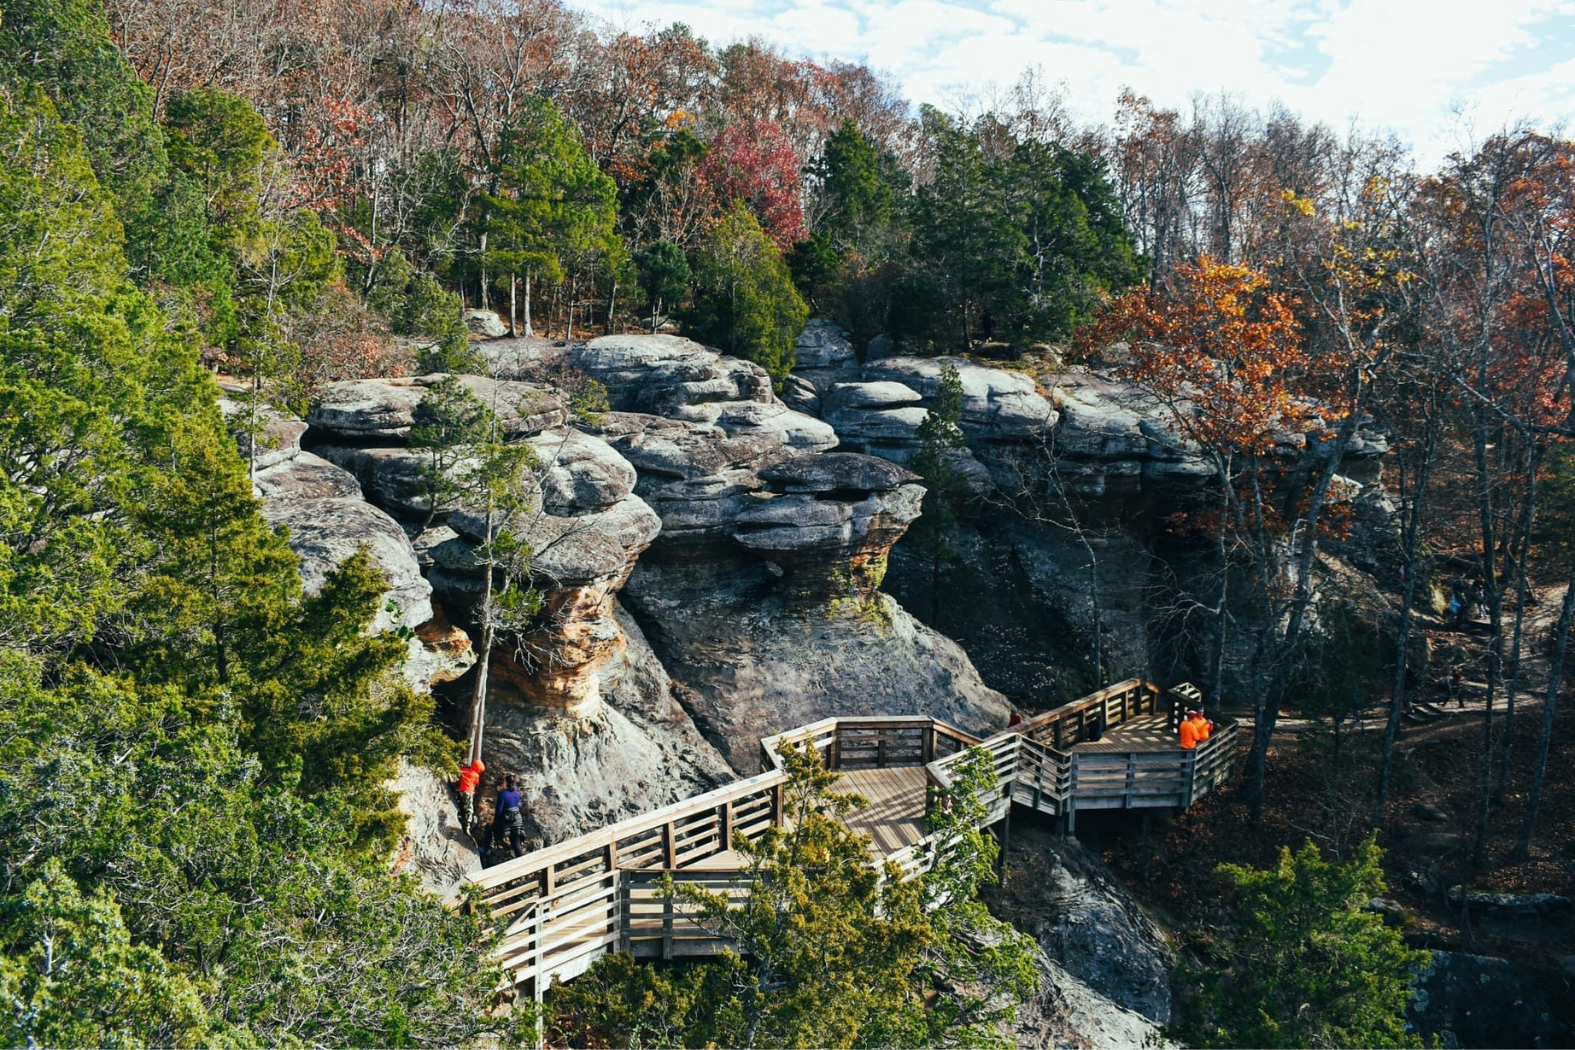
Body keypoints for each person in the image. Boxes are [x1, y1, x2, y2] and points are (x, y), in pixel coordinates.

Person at [493, 776, 525, 859]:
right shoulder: (517, 793)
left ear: (506, 783)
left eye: (504, 781)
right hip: (517, 818)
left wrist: (495, 821)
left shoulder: (503, 793)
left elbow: (499, 809)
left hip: (508, 819)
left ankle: (487, 849)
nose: (503, 783)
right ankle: (523, 862)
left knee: (489, 828)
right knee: (516, 843)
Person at [456, 756, 485, 835]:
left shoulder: (466, 770)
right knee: (470, 809)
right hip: (469, 792)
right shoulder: (476, 775)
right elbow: (476, 783)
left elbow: (458, 770)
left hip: (461, 790)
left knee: (463, 804)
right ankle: (467, 825)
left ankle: (462, 816)